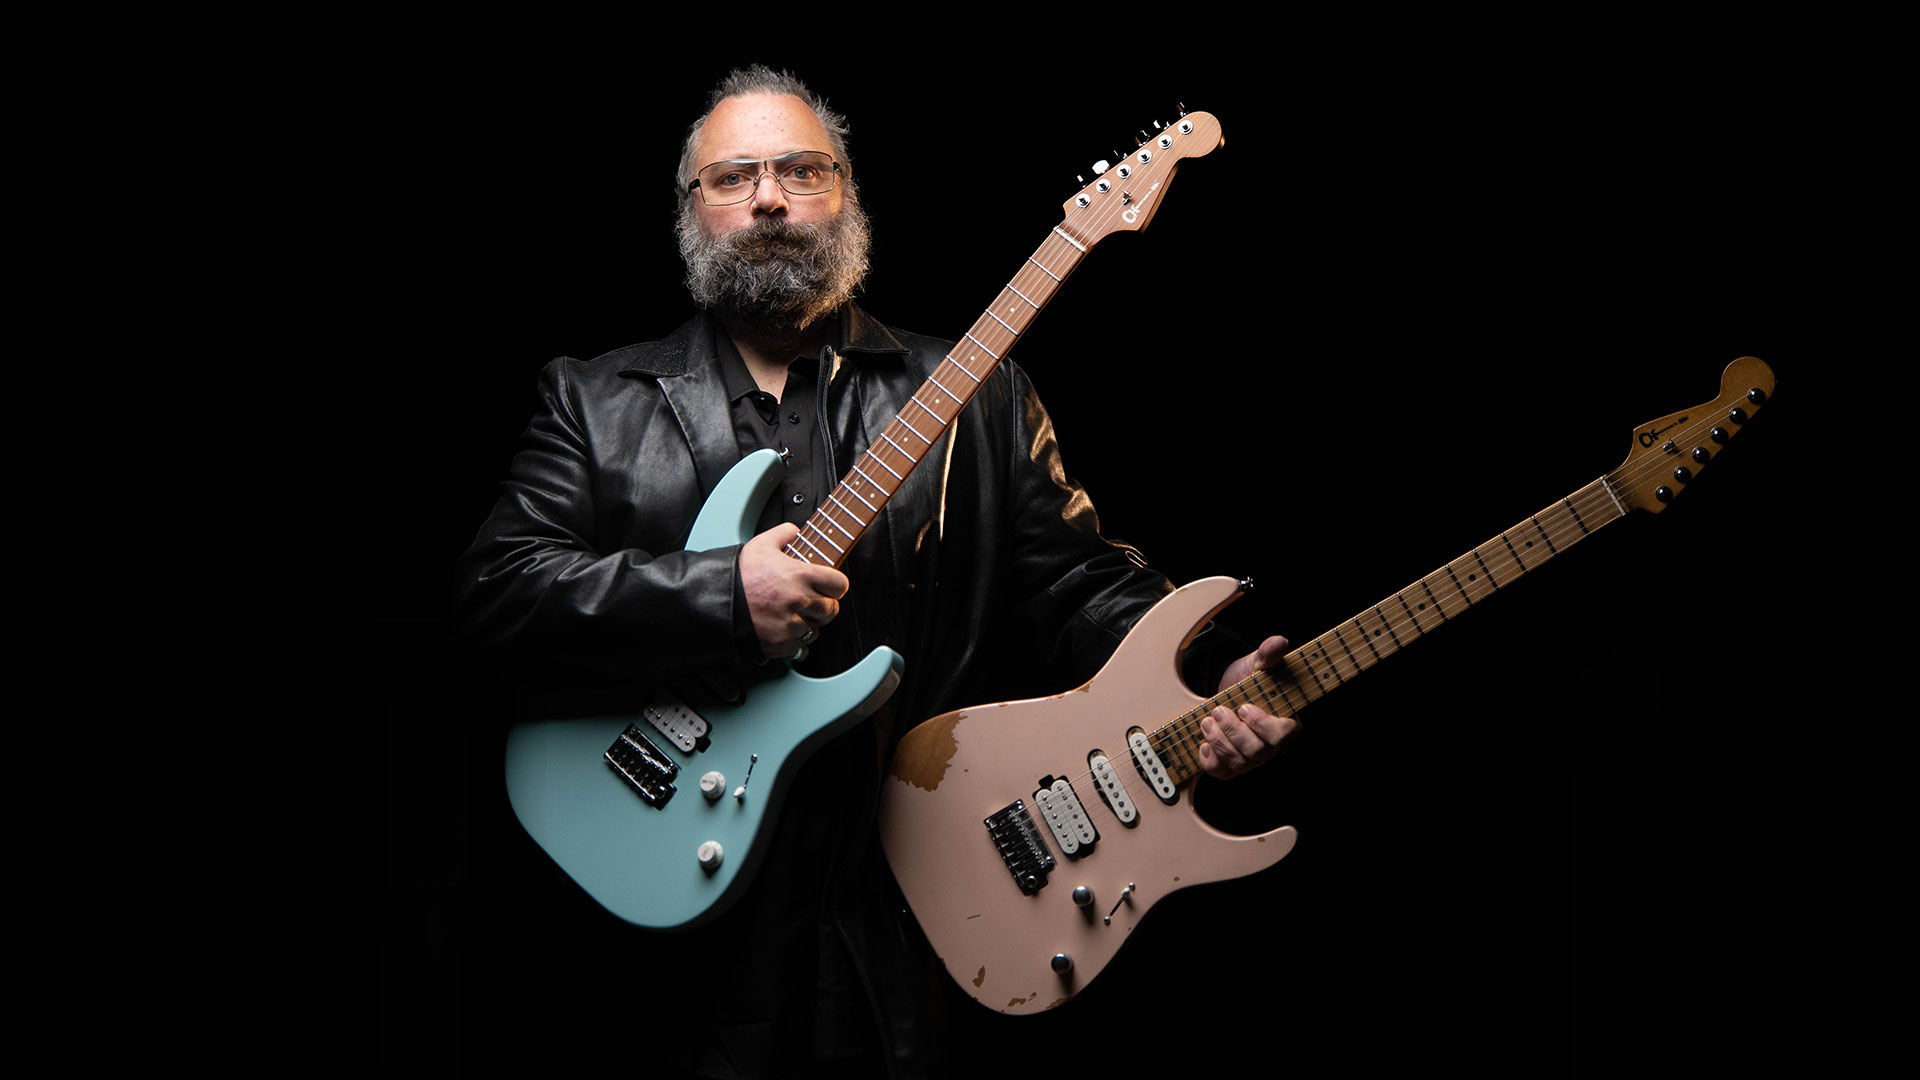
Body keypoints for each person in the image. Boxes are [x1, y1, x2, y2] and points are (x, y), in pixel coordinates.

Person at [458, 66, 1294, 1078]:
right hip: (655, 927)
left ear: (846, 194)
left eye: (801, 170)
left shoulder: (977, 393)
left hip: (898, 908)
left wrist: (1196, 690)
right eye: (733, 178)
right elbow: (501, 594)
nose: (768, 197)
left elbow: (1077, 586)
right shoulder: (594, 401)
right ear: (692, 211)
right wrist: (723, 596)